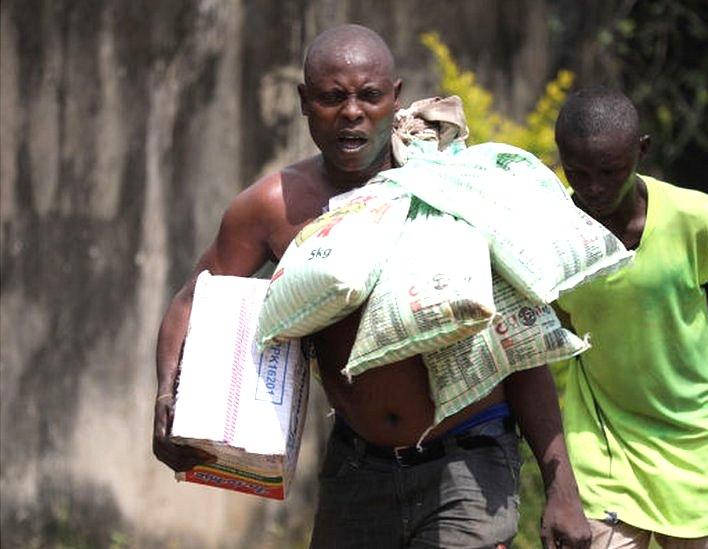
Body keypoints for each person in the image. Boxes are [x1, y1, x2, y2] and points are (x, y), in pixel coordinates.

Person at [152, 24, 590, 549]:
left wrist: (561, 485)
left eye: (370, 96)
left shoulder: (450, 191)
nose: (352, 112)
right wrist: (167, 396)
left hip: (467, 464)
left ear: (396, 98)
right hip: (358, 472)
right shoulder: (273, 207)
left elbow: (517, 345)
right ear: (305, 102)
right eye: (333, 97)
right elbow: (194, 299)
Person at [552, 87, 708, 549]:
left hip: (700, 446)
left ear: (641, 150)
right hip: (603, 444)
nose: (594, 188)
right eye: (578, 172)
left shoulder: (698, 219)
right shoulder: (550, 230)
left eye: (610, 171)